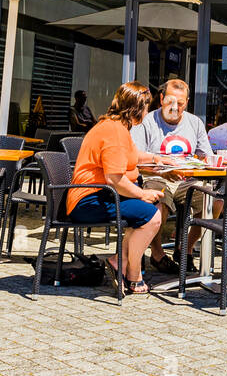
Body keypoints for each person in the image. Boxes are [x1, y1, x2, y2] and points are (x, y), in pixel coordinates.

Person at [66, 82, 164, 294]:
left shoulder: (116, 127)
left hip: (99, 195)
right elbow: (114, 179)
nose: (147, 112)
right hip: (90, 200)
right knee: (152, 217)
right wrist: (142, 194)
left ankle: (120, 261)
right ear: (136, 108)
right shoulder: (114, 132)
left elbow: (132, 155)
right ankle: (133, 272)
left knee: (144, 215)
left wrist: (157, 158)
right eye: (146, 107)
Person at [130, 78, 215, 274]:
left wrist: (216, 162)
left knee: (214, 201)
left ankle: (185, 247)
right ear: (161, 99)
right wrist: (164, 169)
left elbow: (206, 156)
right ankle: (157, 253)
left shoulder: (194, 123)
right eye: (170, 101)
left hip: (188, 180)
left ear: (187, 102)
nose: (175, 107)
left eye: (181, 102)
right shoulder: (146, 121)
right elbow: (136, 159)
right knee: (157, 205)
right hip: (157, 177)